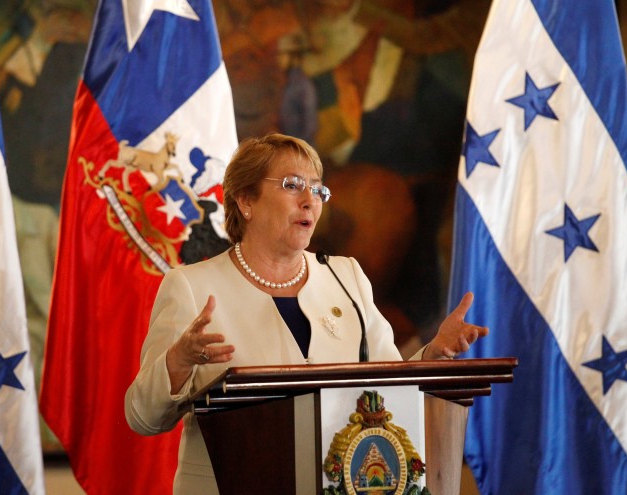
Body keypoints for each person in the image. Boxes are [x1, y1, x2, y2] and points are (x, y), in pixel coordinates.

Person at [124, 133, 488, 494]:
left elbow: (388, 382)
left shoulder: (345, 277)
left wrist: (433, 355)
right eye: (292, 185)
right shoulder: (191, 286)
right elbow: (142, 416)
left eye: (317, 189)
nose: (309, 201)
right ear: (246, 199)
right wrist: (179, 361)